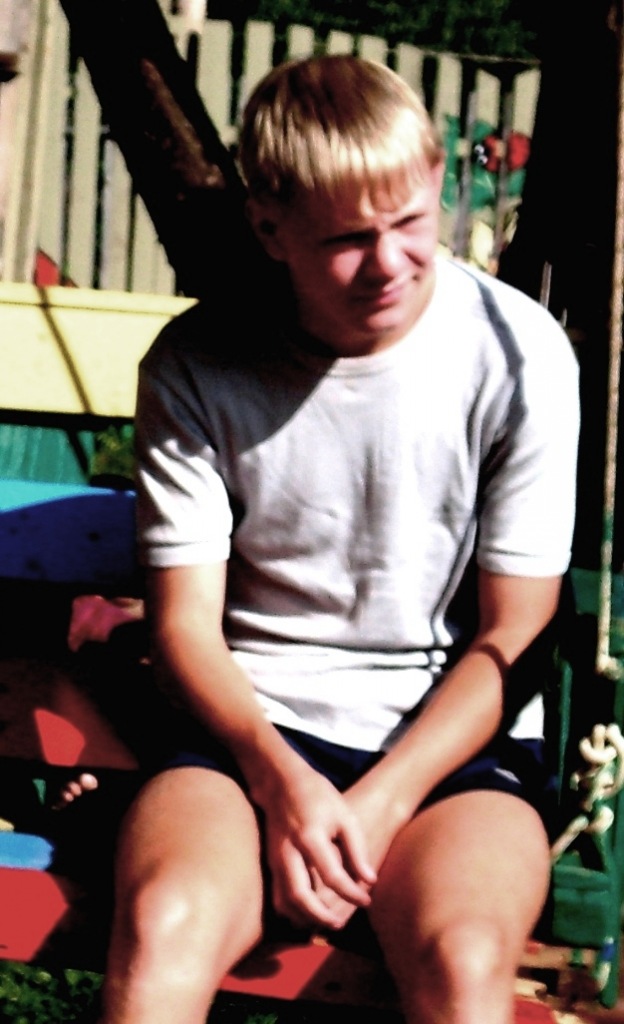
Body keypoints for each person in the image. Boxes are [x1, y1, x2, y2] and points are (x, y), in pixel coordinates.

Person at [98, 55, 579, 1024]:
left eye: (410, 222)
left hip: (449, 745)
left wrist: (380, 802)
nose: (390, 262)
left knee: (464, 958)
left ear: (437, 180)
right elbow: (185, 627)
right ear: (270, 229)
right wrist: (283, 783)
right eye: (348, 239)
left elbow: (515, 632)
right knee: (163, 923)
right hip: (252, 728)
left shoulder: (520, 354)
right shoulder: (198, 366)